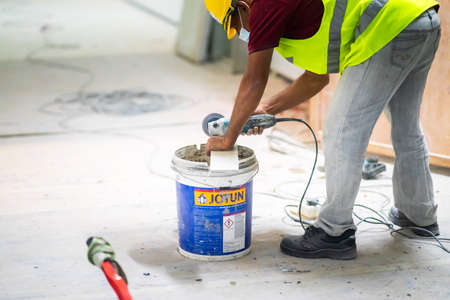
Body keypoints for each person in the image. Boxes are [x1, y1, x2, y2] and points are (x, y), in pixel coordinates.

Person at [203, 0, 441, 260]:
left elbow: (255, 79)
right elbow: (316, 78)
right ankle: (419, 216)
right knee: (406, 126)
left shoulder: (266, 5)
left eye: (235, 25)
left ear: (242, 6)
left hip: (388, 25)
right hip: (421, 18)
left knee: (342, 130)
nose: (240, 33)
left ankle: (334, 232)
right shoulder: (291, 12)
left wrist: (228, 138)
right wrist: (267, 109)